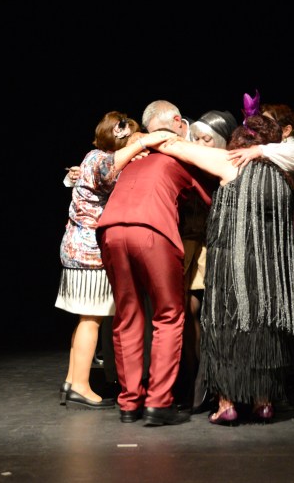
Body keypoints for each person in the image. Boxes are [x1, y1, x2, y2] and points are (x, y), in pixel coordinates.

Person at [153, 91, 294, 425]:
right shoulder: (287, 176)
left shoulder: (229, 162)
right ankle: (263, 402)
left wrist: (148, 137)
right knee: (263, 328)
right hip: (267, 270)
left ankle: (227, 404)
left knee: (225, 327)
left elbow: (173, 146)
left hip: (231, 267)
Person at [96, 99, 214, 426]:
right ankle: (158, 404)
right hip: (151, 230)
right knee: (169, 315)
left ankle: (129, 404)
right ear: (177, 123)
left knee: (128, 316)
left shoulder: (135, 154)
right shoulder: (178, 152)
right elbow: (210, 196)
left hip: (110, 230)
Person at [227, 100, 294, 413]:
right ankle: (276, 380)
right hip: (272, 233)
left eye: (269, 125)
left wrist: (258, 151)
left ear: (285, 130)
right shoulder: (265, 151)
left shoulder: (293, 149)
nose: (261, 132)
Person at [56, 111, 154, 409]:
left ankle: (73, 379)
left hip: (75, 247)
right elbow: (118, 167)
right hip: (89, 252)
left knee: (85, 317)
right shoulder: (104, 161)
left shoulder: (91, 156)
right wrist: (144, 144)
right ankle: (82, 386)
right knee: (91, 319)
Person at [173, 109, 238, 412]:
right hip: (189, 242)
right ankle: (191, 381)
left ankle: (214, 384)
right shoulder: (192, 160)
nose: (199, 142)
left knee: (213, 313)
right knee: (186, 310)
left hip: (216, 246)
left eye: (206, 138)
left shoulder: (227, 164)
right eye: (196, 137)